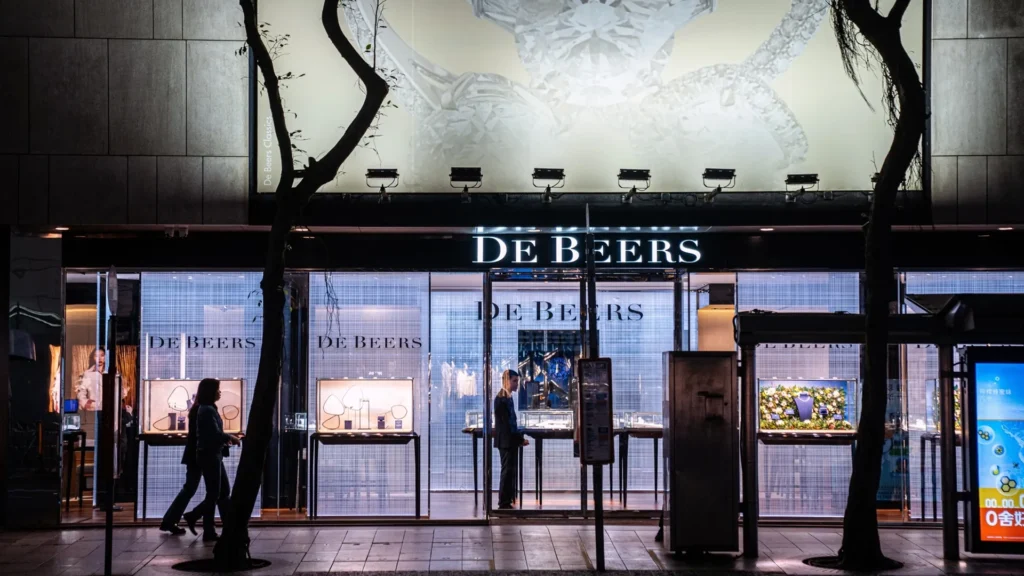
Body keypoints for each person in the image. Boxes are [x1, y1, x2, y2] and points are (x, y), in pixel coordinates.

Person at [181, 379, 240, 541]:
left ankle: (198, 518)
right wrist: (231, 438)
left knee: (220, 492)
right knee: (215, 493)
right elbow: (214, 434)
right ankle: (207, 527)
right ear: (210, 392)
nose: (220, 392)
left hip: (212, 454)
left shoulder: (206, 409)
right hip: (210, 455)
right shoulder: (206, 410)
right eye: (217, 389)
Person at [159, 382, 204, 535]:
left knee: (191, 488)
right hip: (201, 454)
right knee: (213, 490)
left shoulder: (196, 409)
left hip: (195, 454)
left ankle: (170, 520)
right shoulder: (201, 410)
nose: (219, 393)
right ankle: (174, 519)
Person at [494, 369, 528, 509]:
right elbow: (508, 423)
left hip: (508, 441)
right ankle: (503, 502)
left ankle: (506, 500)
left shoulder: (506, 397)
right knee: (507, 471)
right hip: (506, 442)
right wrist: (519, 439)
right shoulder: (502, 398)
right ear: (507, 380)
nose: (516, 384)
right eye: (514, 381)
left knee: (509, 471)